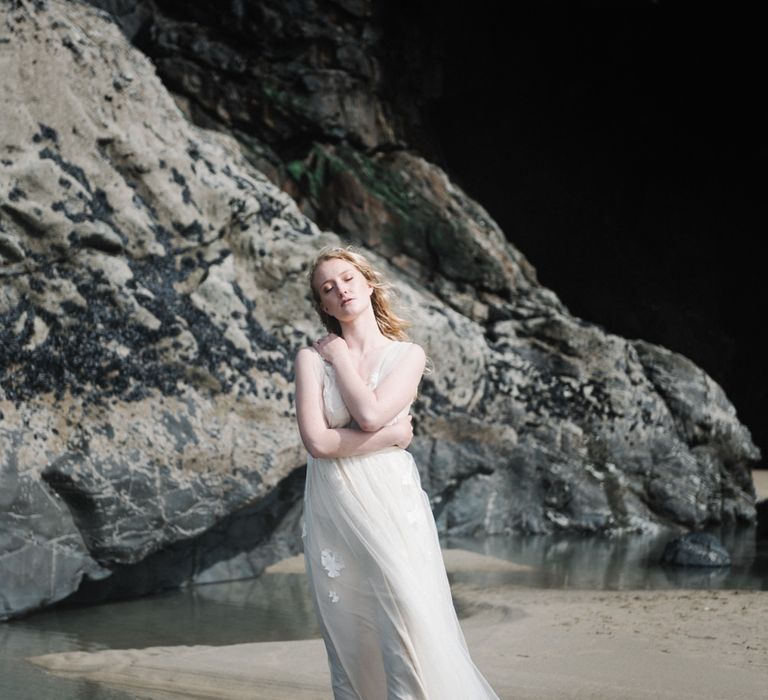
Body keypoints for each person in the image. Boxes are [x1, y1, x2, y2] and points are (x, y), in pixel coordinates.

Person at [294, 245, 501, 699]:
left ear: (368, 282)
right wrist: (391, 437)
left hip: (389, 501)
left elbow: (367, 414)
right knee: (350, 633)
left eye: (347, 279)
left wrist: (344, 361)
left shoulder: (408, 355)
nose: (340, 290)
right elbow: (318, 442)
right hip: (334, 507)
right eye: (328, 288)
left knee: (404, 619)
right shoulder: (310, 359)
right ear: (323, 305)